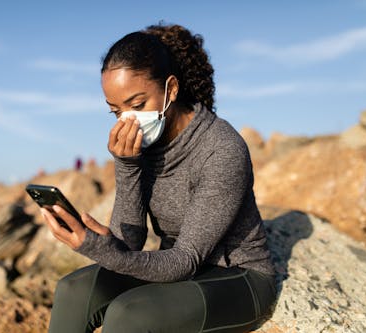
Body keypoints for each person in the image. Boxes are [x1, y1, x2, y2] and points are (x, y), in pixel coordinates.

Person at [41, 23, 277, 333]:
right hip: (175, 265)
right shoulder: (144, 146)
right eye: (116, 111)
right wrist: (126, 166)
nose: (128, 119)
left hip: (238, 277)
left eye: (137, 105)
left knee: (130, 314)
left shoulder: (221, 149)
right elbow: (131, 242)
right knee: (73, 290)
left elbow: (185, 260)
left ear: (172, 89)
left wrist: (97, 249)